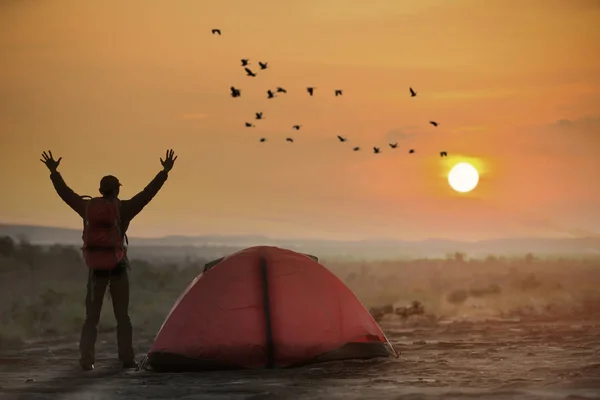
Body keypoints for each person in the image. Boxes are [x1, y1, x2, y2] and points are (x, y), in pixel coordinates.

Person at [40, 149, 178, 371]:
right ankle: (127, 359)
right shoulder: (124, 209)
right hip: (118, 268)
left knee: (91, 318)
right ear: (117, 190)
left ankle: (87, 360)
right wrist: (164, 171)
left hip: (95, 269)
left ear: (100, 190)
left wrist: (54, 172)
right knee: (122, 316)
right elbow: (147, 193)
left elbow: (66, 194)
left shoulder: (87, 208)